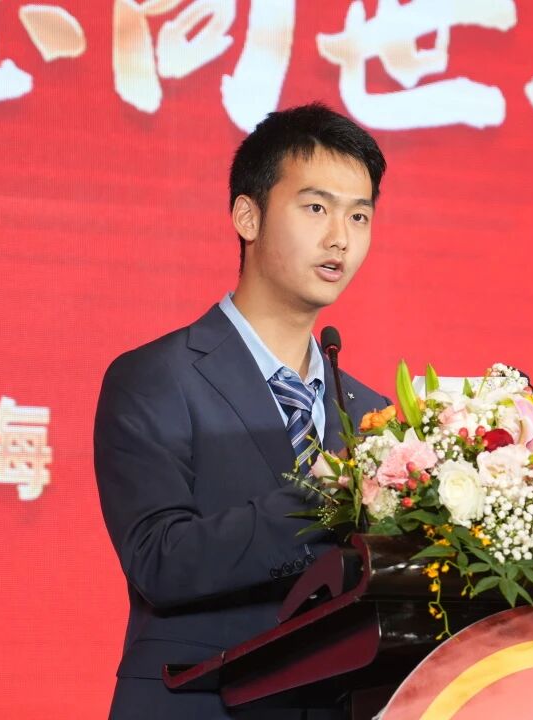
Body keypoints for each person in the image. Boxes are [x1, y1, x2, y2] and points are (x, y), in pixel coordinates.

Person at [94, 103, 388, 719]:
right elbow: (160, 560)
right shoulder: (156, 377)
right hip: (199, 704)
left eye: (359, 215)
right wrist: (322, 500)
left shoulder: (372, 415)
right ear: (247, 216)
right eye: (317, 208)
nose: (340, 237)